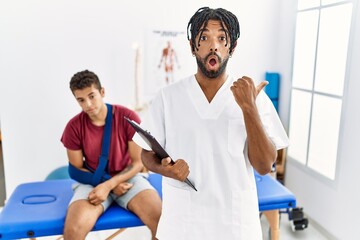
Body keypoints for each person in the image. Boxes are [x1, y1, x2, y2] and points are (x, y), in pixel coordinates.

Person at [134, 7, 289, 240]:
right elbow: (146, 155)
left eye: (221, 38)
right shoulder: (168, 97)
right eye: (204, 37)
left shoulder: (253, 95)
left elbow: (265, 165)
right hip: (183, 223)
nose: (213, 45)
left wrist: (249, 108)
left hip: (234, 225)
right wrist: (164, 169)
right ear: (192, 46)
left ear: (232, 47)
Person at [61, 70, 161, 240]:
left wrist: (110, 185)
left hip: (129, 178)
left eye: (92, 96)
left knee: (161, 223)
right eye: (81, 100)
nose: (88, 104)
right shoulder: (73, 127)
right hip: (93, 181)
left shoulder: (128, 117)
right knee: (73, 232)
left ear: (102, 92)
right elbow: (76, 170)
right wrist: (108, 185)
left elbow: (137, 163)